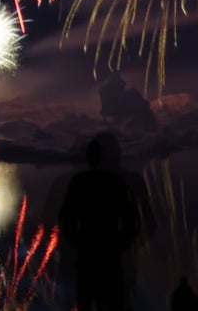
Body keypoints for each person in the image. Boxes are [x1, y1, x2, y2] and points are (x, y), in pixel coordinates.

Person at [58, 132, 154, 311]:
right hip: (113, 259)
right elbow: (134, 219)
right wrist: (123, 243)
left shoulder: (79, 182)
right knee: (116, 302)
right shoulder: (118, 182)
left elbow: (65, 218)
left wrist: (77, 243)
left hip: (88, 258)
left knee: (87, 302)